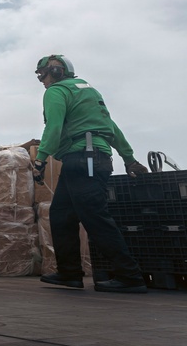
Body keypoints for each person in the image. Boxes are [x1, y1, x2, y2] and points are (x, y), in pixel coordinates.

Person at [33, 54, 150, 293]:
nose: (42, 81)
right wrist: (129, 159)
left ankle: (130, 276)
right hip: (90, 160)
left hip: (82, 161)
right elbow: (112, 127)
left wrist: (40, 159)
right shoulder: (90, 92)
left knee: (95, 217)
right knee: (61, 215)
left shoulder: (56, 91)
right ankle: (69, 274)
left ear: (55, 72)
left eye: (42, 75)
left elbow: (53, 127)